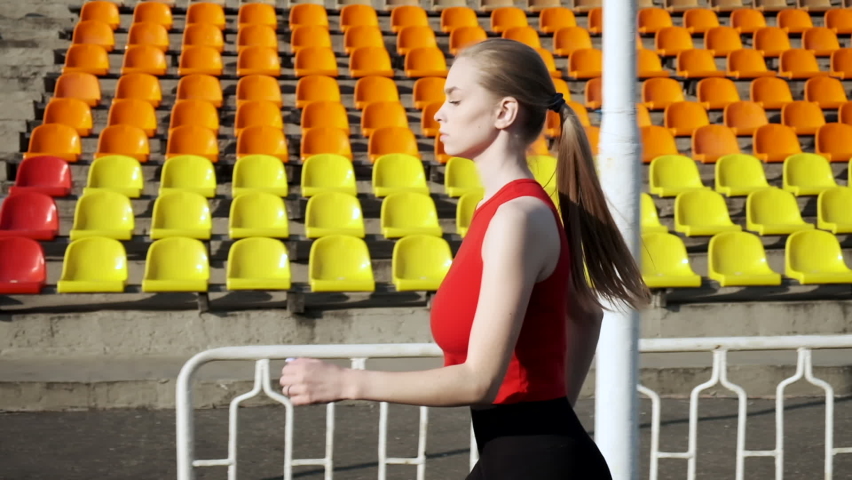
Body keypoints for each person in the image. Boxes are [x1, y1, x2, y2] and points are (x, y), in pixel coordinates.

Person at [279, 38, 650, 479]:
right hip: (524, 455)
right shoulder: (504, 210)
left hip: (537, 462)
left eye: (455, 99)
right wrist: (548, 412)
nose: (439, 113)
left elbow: (479, 380)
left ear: (504, 112)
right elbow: (586, 313)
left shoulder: (518, 216)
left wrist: (345, 382)